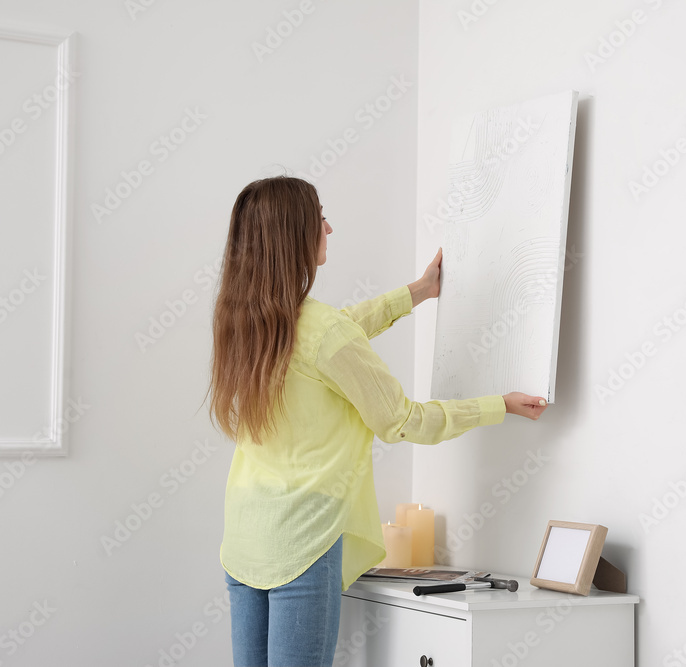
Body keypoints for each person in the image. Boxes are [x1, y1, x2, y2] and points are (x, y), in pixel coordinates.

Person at [206, 175, 548, 667]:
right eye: (319, 217)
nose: (329, 227)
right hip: (302, 543)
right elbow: (404, 421)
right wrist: (501, 404)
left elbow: (336, 332)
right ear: (293, 235)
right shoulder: (320, 331)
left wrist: (419, 291)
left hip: (244, 537)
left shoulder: (244, 322)